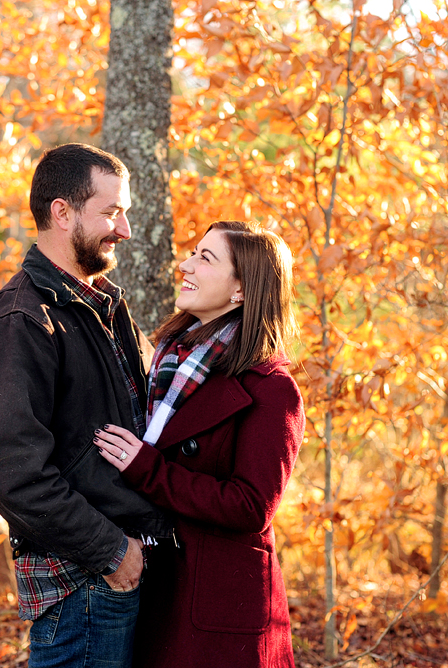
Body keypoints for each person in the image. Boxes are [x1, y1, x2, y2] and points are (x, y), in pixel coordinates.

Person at [0, 143, 172, 668]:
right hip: (83, 582)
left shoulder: (103, 308)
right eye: (111, 212)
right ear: (62, 212)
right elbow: (8, 470)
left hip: (125, 573)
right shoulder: (19, 320)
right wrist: (110, 551)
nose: (123, 230)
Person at [95, 220, 305, 668]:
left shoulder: (271, 388)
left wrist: (147, 469)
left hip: (220, 608)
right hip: (158, 585)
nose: (185, 265)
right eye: (192, 252)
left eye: (205, 258)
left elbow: (251, 506)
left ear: (242, 290)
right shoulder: (166, 360)